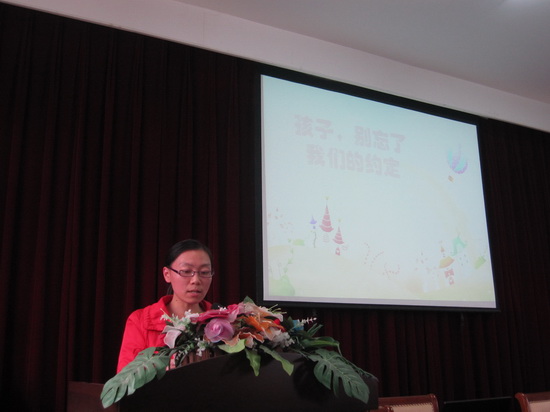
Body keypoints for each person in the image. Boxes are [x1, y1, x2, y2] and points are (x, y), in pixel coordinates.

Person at [116, 239, 214, 372]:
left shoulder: (223, 322)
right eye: (186, 271)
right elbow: (126, 378)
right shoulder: (140, 321)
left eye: (204, 272)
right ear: (167, 274)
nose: (196, 280)